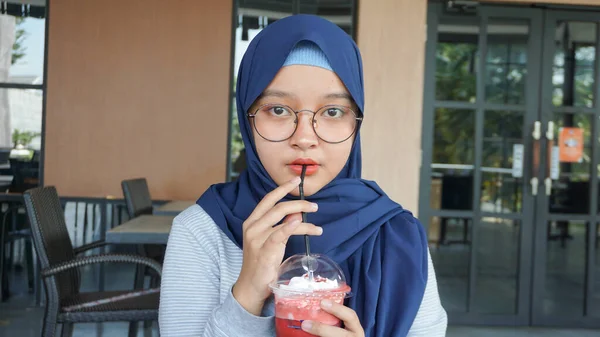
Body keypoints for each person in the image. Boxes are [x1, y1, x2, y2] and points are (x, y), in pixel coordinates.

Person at [159, 14, 447, 337]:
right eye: (278, 110)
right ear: (246, 116)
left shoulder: (397, 238)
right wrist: (248, 294)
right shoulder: (203, 233)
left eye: (333, 112)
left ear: (356, 124)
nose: (305, 138)